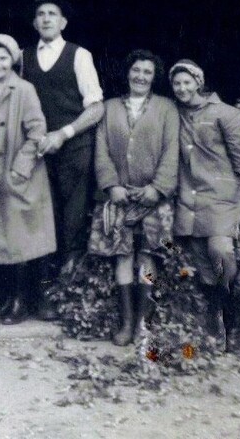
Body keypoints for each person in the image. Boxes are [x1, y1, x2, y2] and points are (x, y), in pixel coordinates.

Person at [21, 0, 105, 320]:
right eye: (40, 14)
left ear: (63, 22)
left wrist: (64, 134)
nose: (45, 18)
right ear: (34, 22)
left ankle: (69, 300)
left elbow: (96, 108)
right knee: (41, 223)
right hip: (39, 152)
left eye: (52, 14)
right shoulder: (23, 56)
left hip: (74, 151)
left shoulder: (79, 55)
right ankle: (42, 298)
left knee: (71, 225)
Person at [89, 50, 179, 345]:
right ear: (128, 73)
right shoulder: (109, 107)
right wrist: (111, 185)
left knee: (147, 258)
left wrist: (158, 188)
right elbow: (100, 150)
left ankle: (143, 323)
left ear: (154, 78)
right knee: (123, 256)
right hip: (120, 197)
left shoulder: (167, 108)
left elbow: (171, 152)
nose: (140, 76)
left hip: (153, 198)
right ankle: (126, 324)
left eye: (147, 72)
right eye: (136, 70)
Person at [169, 59, 240, 345]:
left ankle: (233, 306)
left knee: (220, 249)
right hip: (188, 198)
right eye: (176, 84)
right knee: (202, 263)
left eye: (187, 82)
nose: (181, 88)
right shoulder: (173, 114)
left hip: (220, 197)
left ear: (198, 83)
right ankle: (216, 315)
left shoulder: (225, 114)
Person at [0, 34, 56, 325]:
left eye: (3, 58)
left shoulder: (24, 90)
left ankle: (26, 302)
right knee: (10, 240)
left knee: (26, 239)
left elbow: (37, 131)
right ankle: (16, 299)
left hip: (22, 177)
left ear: (12, 60)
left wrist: (19, 169)